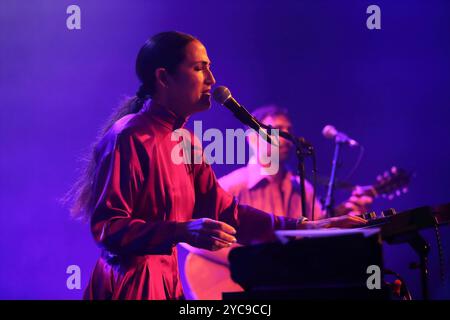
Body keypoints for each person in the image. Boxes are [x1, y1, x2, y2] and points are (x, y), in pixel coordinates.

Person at [66, 31, 366, 300]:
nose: (211, 79)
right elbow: (108, 227)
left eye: (209, 67)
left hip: (168, 281)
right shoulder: (130, 134)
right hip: (130, 286)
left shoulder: (186, 141)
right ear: (163, 78)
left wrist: (305, 226)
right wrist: (179, 231)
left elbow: (226, 211)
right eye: (199, 68)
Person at [219, 105, 373, 220]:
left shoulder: (303, 188)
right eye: (277, 130)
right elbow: (200, 239)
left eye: (289, 131)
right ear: (252, 139)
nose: (286, 138)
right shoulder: (230, 186)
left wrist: (347, 212)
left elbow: (317, 228)